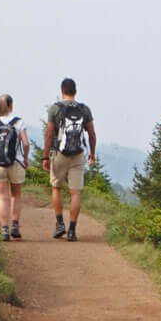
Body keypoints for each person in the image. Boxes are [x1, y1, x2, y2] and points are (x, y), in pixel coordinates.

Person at [42, 77, 96, 241]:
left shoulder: (55, 109)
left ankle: (60, 224)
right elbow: (92, 134)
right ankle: (72, 230)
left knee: (56, 188)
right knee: (75, 193)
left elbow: (49, 134)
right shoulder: (85, 109)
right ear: (75, 91)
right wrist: (92, 153)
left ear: (62, 91)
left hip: (60, 154)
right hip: (78, 155)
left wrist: (45, 156)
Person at [0, 94, 29, 241]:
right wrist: (26, 158)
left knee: (3, 197)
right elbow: (26, 144)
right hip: (16, 162)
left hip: (0, 164)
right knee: (16, 195)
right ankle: (15, 225)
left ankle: (4, 230)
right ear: (11, 105)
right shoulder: (19, 122)